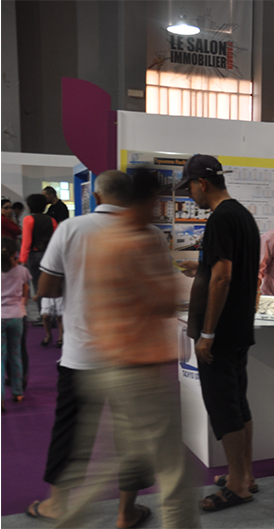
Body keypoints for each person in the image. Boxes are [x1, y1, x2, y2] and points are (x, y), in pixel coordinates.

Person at [65, 169, 201, 528]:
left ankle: (68, 519)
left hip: (105, 364)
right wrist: (185, 281)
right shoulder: (138, 242)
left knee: (114, 461)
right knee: (173, 470)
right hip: (139, 374)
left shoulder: (103, 240)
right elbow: (163, 300)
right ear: (147, 200)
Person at [27, 170, 152, 528]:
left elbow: (47, 289)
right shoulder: (147, 233)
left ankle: (57, 504)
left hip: (81, 353)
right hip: (133, 355)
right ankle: (126, 512)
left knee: (69, 431)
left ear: (96, 197)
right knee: (132, 435)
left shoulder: (71, 228)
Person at [177, 154, 261, 511]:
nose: (190, 195)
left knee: (224, 407)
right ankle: (245, 475)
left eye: (190, 188)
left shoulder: (220, 219)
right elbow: (228, 268)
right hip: (240, 327)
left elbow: (224, 276)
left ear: (203, 184)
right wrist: (200, 266)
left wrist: (207, 333)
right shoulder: (242, 216)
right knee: (238, 402)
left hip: (221, 332)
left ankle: (238, 485)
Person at [20, 194, 58, 322]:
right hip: (49, 255)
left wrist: (22, 259)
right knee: (50, 285)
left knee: (38, 286)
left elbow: (26, 242)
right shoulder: (51, 220)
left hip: (34, 255)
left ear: (30, 206)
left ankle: (43, 316)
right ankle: (53, 315)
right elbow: (56, 240)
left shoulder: (29, 219)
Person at [2, 236, 30, 405]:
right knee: (16, 354)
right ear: (15, 253)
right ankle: (18, 391)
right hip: (17, 316)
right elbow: (26, 291)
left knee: (1, 357)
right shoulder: (22, 271)